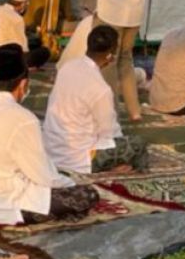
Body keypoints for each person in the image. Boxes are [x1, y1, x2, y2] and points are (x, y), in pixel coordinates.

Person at [0, 46, 100, 226]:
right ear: (23, 84)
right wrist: (71, 183)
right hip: (2, 207)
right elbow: (44, 177)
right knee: (87, 195)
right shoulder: (22, 118)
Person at [43, 24, 148, 175]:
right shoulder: (101, 89)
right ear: (110, 55)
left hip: (51, 150)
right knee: (138, 144)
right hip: (81, 159)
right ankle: (114, 169)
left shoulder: (67, 67)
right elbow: (109, 132)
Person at [0, 0, 51, 68]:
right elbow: (23, 48)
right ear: (23, 4)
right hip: (8, 58)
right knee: (44, 51)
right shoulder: (17, 18)